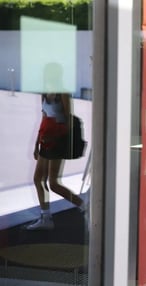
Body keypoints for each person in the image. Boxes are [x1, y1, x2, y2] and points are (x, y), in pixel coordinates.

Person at [26, 63, 85, 230]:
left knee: (53, 183)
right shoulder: (44, 94)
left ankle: (85, 206)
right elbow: (44, 118)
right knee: (38, 179)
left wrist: (56, 135)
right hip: (46, 141)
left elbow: (68, 121)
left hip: (57, 142)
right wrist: (37, 143)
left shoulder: (63, 94)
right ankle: (46, 218)